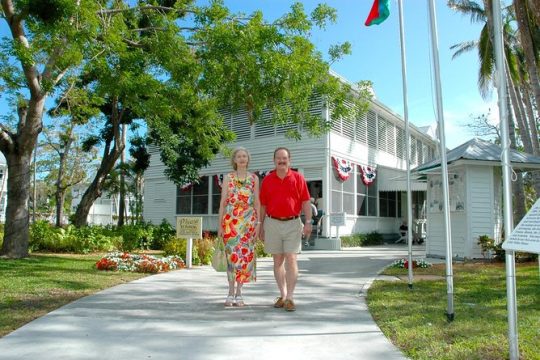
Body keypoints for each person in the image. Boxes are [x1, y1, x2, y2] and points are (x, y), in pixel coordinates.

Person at [259, 147, 312, 312]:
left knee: (291, 259)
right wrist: (260, 226)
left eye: (284, 158)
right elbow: (263, 205)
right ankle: (282, 295)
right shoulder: (267, 180)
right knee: (277, 261)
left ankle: (290, 297)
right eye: (278, 158)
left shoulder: (298, 178)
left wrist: (309, 221)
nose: (281, 161)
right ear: (274, 160)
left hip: (293, 223)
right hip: (272, 223)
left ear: (290, 160)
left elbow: (305, 202)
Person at [217, 147, 260, 307]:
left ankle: (239, 293)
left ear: (248, 159)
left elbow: (257, 202)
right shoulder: (228, 177)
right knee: (231, 259)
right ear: (234, 160)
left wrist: (258, 224)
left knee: (244, 259)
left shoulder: (254, 178)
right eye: (239, 156)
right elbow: (222, 202)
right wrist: (220, 225)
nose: (242, 158)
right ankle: (230, 292)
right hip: (230, 223)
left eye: (245, 156)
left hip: (248, 223)